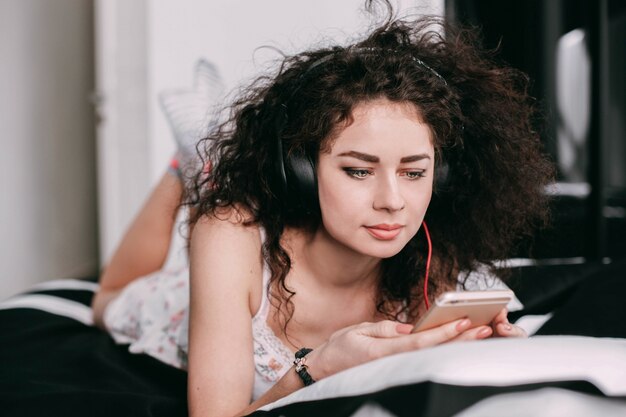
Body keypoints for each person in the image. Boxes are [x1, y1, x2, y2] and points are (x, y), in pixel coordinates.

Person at [92, 4, 554, 416]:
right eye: (358, 171)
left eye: (414, 173)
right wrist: (321, 367)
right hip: (194, 300)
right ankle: (190, 163)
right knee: (106, 303)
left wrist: (481, 354)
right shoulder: (230, 232)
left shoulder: (436, 254)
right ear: (303, 170)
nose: (393, 201)